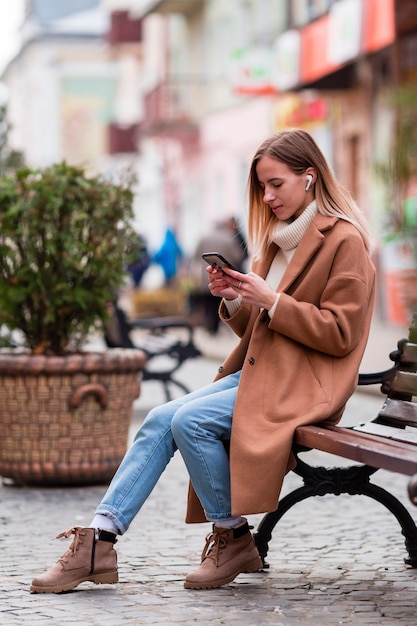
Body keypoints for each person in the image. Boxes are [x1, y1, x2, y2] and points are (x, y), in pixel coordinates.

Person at [30, 128, 375, 594]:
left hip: (305, 388)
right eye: (261, 187)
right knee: (159, 418)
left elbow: (339, 334)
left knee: (190, 420)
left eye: (277, 184)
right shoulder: (278, 240)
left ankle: (233, 537)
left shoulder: (344, 240)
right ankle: (100, 540)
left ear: (310, 177)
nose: (267, 196)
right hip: (264, 377)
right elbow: (264, 334)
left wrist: (272, 300)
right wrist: (238, 301)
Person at [191, 217, 248, 334]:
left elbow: (196, 256)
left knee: (208, 303)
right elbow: (238, 257)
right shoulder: (229, 238)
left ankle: (211, 327)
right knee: (220, 301)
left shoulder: (204, 237)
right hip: (223, 276)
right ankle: (219, 325)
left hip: (206, 275)